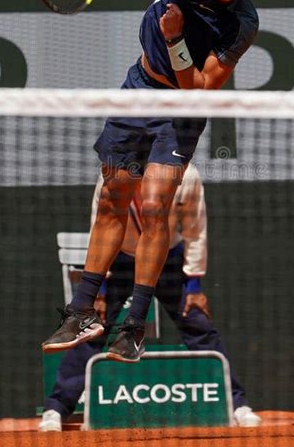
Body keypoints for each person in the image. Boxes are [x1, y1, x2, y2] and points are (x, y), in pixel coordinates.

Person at [41, 0, 262, 363]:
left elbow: (198, 88)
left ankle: (135, 324)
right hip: (139, 87)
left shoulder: (244, 22)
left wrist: (176, 38)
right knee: (113, 199)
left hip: (180, 109)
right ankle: (82, 310)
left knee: (157, 204)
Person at [40, 164, 262, 431]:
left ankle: (238, 405)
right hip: (120, 258)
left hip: (168, 258)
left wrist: (194, 287)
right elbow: (99, 226)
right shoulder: (113, 173)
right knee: (92, 329)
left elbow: (195, 229)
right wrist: (98, 289)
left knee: (199, 325)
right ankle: (56, 409)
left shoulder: (186, 175)